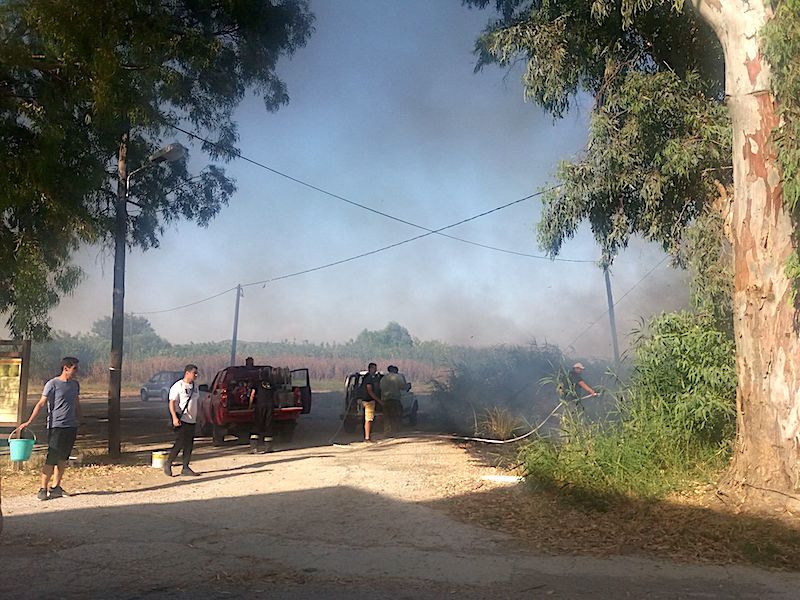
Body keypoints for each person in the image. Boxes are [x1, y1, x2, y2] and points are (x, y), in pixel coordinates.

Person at [20, 357, 82, 501]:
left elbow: (76, 403)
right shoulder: (52, 384)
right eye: (75, 368)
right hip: (56, 426)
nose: (77, 371)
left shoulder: (75, 385)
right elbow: (41, 403)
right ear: (66, 368)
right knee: (52, 457)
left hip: (70, 426)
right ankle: (43, 488)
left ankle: (56, 487)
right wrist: (29, 421)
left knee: (63, 458)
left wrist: (81, 420)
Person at [165, 364, 200, 477]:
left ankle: (185, 467)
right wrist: (174, 417)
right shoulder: (178, 386)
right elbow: (172, 402)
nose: (196, 375)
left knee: (189, 444)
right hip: (182, 419)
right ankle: (168, 463)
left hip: (192, 420)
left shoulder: (195, 386)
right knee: (179, 443)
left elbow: (195, 402)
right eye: (194, 373)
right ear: (187, 373)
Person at [248, 368, 274, 454]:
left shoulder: (257, 383)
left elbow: (252, 395)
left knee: (257, 424)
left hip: (260, 406)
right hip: (270, 406)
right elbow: (275, 395)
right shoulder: (272, 383)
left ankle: (254, 448)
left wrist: (250, 406)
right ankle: (268, 448)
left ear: (260, 375)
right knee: (268, 425)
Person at [380, 365, 406, 437]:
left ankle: (387, 432)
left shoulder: (383, 378)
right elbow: (402, 387)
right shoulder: (398, 377)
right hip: (395, 399)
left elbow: (380, 388)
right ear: (395, 370)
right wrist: (407, 386)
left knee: (387, 416)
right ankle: (395, 431)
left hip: (385, 400)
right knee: (395, 415)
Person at [359, 362, 381, 442]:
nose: (375, 370)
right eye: (374, 368)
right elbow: (370, 391)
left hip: (364, 400)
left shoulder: (366, 377)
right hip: (368, 401)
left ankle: (368, 436)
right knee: (368, 419)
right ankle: (367, 438)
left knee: (367, 419)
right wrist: (378, 400)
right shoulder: (369, 379)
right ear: (370, 368)